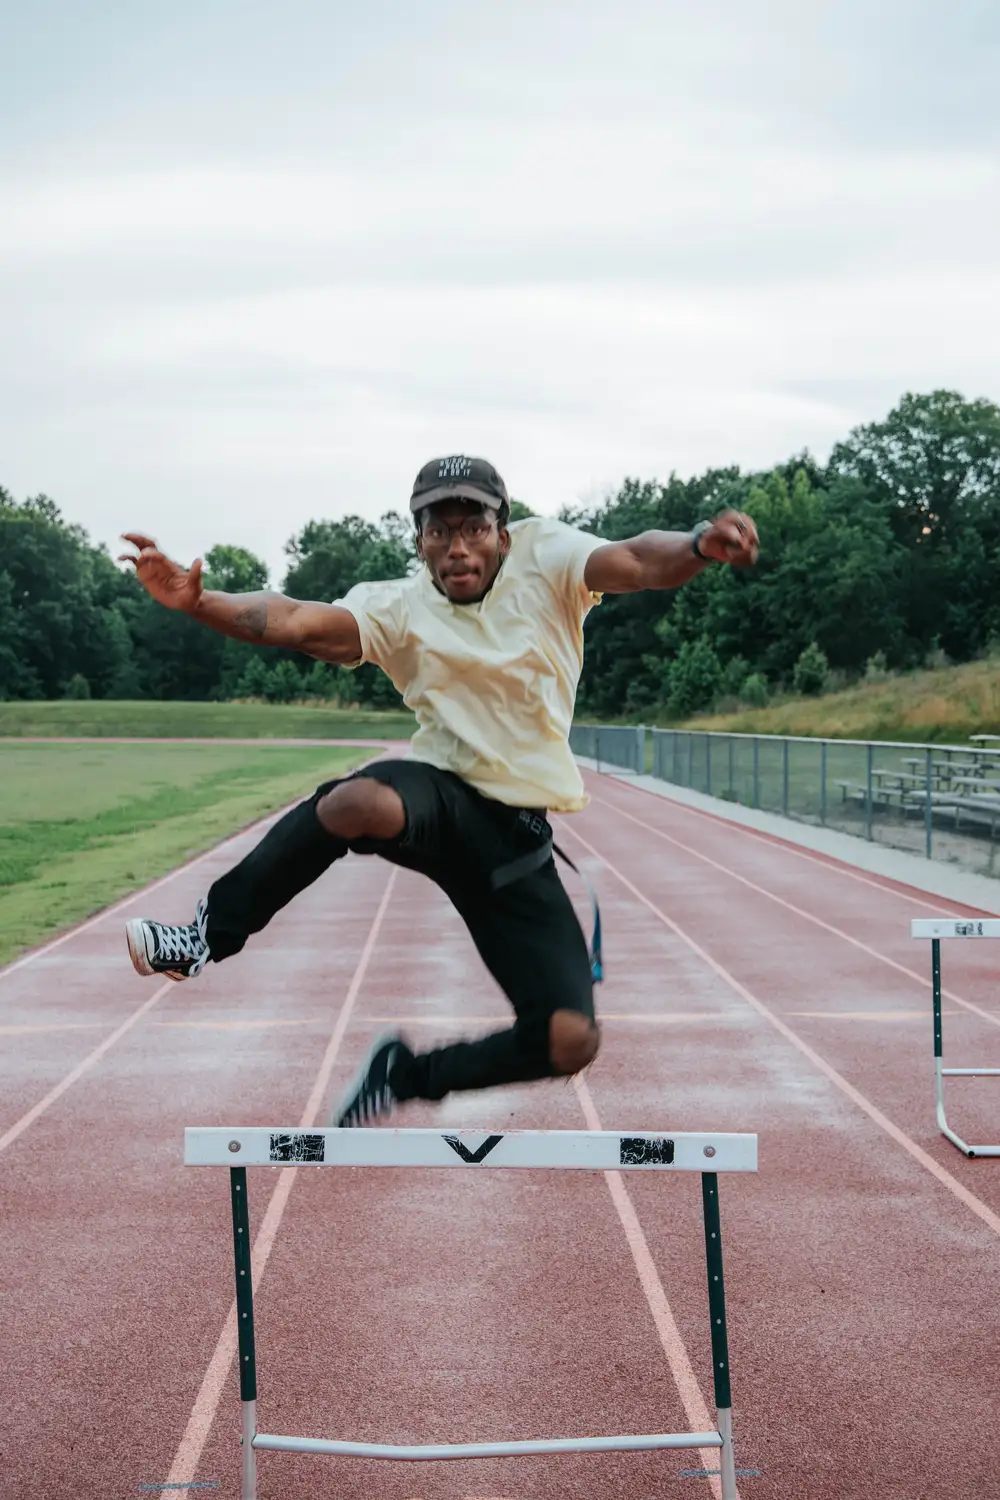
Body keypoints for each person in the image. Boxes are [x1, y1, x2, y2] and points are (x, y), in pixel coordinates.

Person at [119, 455, 758, 1126]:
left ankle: (407, 1074)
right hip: (441, 800)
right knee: (355, 804)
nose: (457, 548)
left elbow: (636, 561)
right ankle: (204, 937)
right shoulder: (398, 605)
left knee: (569, 1040)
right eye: (438, 531)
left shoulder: (549, 558)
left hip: (514, 842)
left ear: (502, 531)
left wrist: (696, 546)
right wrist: (198, 602)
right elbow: (297, 621)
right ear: (419, 540)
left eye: (473, 527)